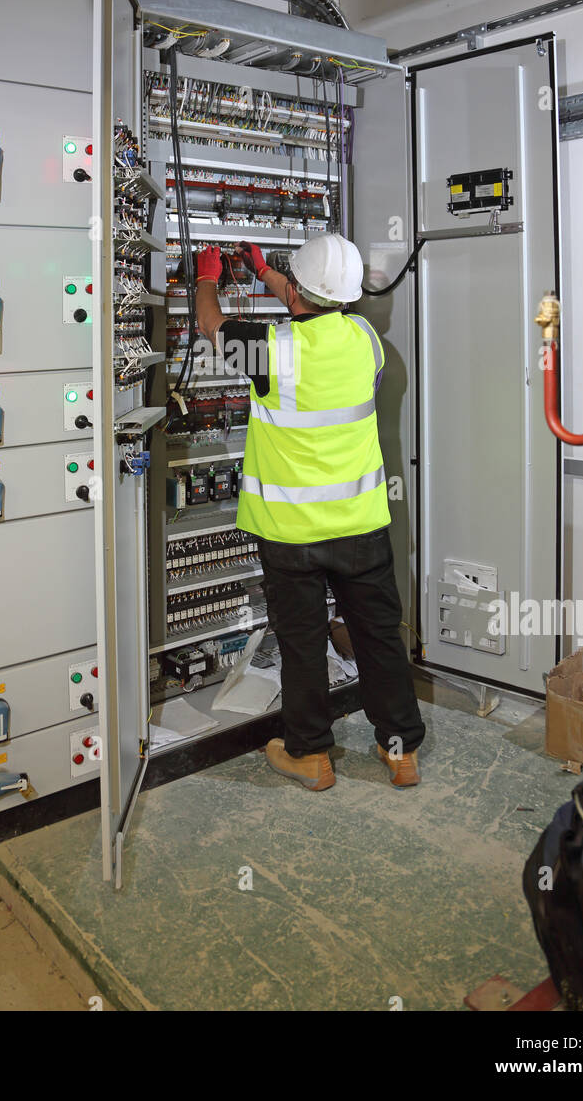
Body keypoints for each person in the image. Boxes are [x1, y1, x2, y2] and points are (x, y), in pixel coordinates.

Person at [195, 233, 425, 791]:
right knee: (377, 638)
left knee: (301, 643)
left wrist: (206, 277)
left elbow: (209, 325)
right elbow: (313, 307)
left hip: (291, 533)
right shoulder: (367, 340)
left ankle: (311, 755)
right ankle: (399, 753)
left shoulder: (268, 348)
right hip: (361, 527)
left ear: (295, 290)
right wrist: (262, 271)